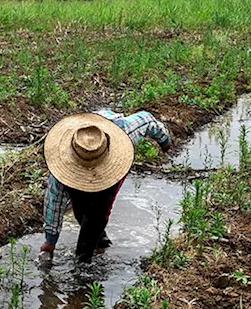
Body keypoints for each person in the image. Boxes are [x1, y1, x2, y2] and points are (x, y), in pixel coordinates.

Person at [40, 109, 172, 261]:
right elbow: (54, 202)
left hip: (110, 173)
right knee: (80, 211)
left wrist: (165, 141)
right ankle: (101, 241)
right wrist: (50, 241)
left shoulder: (124, 132)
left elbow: (148, 121)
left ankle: (85, 262)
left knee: (97, 215)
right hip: (78, 163)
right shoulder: (62, 167)